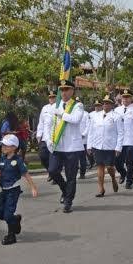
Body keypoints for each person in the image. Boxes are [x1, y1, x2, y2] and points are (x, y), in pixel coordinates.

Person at [0, 134, 38, 245]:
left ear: (14, 147)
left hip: (13, 190)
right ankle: (15, 220)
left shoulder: (18, 161)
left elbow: (26, 174)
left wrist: (33, 187)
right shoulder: (2, 159)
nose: (3, 148)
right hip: (4, 190)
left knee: (7, 214)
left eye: (6, 146)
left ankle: (11, 236)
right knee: (0, 213)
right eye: (2, 146)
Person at [44, 80, 84, 213]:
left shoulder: (77, 105)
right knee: (53, 170)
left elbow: (75, 119)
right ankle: (65, 189)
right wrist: (48, 139)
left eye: (67, 89)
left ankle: (68, 202)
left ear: (72, 91)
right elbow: (48, 124)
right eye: (62, 90)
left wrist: (61, 114)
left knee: (71, 175)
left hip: (72, 146)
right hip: (57, 145)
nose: (64, 92)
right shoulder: (56, 105)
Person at [87, 94, 123, 196]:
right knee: (100, 167)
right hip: (97, 145)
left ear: (112, 105)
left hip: (110, 146)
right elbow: (91, 131)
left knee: (109, 167)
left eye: (108, 103)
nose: (105, 105)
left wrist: (118, 147)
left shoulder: (116, 116)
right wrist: (89, 145)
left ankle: (113, 179)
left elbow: (120, 133)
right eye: (104, 103)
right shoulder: (96, 116)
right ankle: (101, 189)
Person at [114, 89, 133, 189]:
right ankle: (123, 173)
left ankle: (129, 180)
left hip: (131, 140)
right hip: (119, 141)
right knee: (117, 161)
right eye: (124, 97)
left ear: (131, 98)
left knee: (129, 162)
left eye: (127, 97)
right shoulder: (117, 110)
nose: (125, 99)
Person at [35, 91, 57, 178]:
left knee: (53, 157)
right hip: (44, 137)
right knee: (42, 156)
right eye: (50, 97)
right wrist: (39, 135)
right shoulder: (45, 108)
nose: (51, 99)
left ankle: (54, 175)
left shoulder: (59, 107)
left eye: (53, 97)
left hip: (55, 136)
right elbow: (41, 122)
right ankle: (50, 172)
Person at [78, 97, 90, 179]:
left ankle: (82, 173)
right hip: (74, 139)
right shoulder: (72, 113)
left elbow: (88, 126)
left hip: (83, 139)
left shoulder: (86, 114)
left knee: (82, 157)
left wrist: (84, 134)